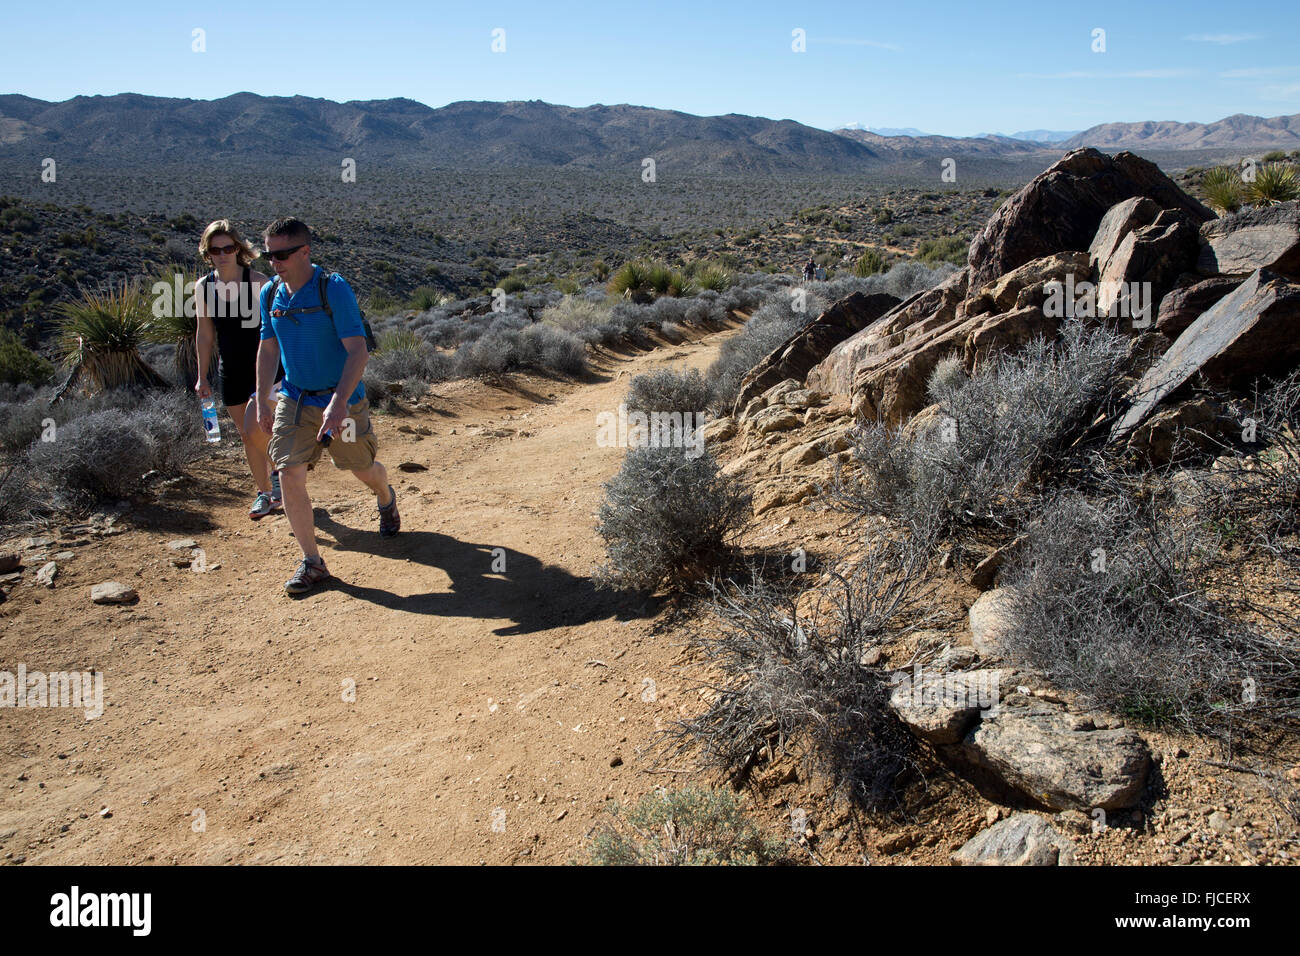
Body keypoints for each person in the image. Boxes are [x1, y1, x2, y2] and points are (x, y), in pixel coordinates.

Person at [254, 217, 399, 595]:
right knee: (287, 471)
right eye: (269, 254)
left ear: (305, 251)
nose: (275, 262)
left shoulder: (332, 289)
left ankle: (385, 496)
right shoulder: (270, 294)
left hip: (341, 399)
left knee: (361, 467)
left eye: (283, 253)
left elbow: (358, 351)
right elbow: (268, 348)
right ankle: (313, 563)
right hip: (295, 398)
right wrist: (261, 398)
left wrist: (337, 405)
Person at [194, 220, 284, 519]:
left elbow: (279, 327)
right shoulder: (203, 287)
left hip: (266, 370)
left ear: (238, 249)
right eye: (215, 249)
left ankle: (280, 475)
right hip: (230, 371)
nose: (222, 254)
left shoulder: (258, 282)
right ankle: (265, 494)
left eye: (228, 248)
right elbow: (205, 333)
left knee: (256, 428)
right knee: (247, 436)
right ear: (207, 253)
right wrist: (201, 375)